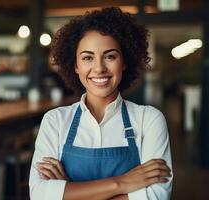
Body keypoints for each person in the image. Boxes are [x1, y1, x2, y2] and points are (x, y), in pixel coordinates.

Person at [29, 7, 172, 200]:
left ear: (125, 62)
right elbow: (39, 194)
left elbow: (156, 196)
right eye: (87, 58)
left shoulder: (149, 119)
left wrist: (70, 190)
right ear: (76, 66)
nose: (99, 68)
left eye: (110, 56)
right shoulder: (55, 121)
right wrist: (121, 183)